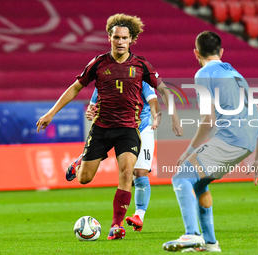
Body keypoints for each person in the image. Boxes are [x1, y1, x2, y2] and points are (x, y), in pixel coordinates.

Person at [36, 13, 182, 241]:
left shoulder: (141, 65)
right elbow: (75, 88)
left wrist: (172, 114)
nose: (120, 41)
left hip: (128, 129)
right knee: (84, 178)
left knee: (127, 173)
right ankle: (80, 162)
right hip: (102, 129)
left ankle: (116, 225)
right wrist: (51, 113)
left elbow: (162, 89)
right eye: (116, 37)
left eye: (125, 38)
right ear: (109, 38)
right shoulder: (98, 63)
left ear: (132, 39)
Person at [162, 31, 258, 252]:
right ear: (221, 52)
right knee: (199, 183)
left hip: (230, 138)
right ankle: (210, 243)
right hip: (247, 142)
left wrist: (189, 150)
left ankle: (191, 235)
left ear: (196, 53)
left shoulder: (203, 74)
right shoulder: (238, 76)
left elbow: (208, 120)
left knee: (181, 177)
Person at [86, 82, 161, 232]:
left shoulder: (142, 76)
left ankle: (139, 216)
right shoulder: (106, 75)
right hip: (116, 128)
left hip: (143, 128)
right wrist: (90, 111)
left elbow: (153, 99)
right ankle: (82, 159)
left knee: (139, 172)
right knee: (91, 172)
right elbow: (93, 104)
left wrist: (155, 113)